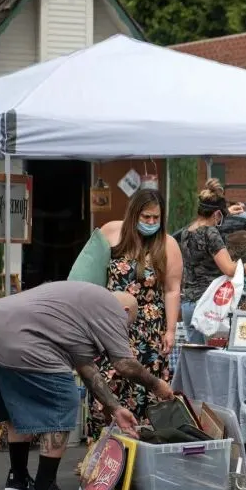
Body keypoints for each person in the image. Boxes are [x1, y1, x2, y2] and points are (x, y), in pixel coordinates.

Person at [0, 280, 174, 490]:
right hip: (19, 338)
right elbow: (124, 363)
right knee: (64, 400)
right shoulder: (113, 309)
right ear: (125, 312)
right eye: (128, 325)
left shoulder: (82, 307)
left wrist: (114, 407)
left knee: (19, 405)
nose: (123, 330)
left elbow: (86, 368)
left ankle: (18, 480)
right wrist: (157, 385)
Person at [86, 188, 183, 440]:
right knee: (107, 385)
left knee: (144, 389)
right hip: (110, 326)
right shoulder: (110, 231)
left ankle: (140, 449)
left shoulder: (168, 244)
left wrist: (170, 330)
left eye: (156, 217)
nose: (151, 222)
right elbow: (90, 272)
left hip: (149, 330)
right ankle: (102, 449)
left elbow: (172, 290)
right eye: (146, 216)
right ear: (134, 214)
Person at [179, 179, 246, 343]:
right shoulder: (211, 233)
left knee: (196, 354)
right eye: (220, 216)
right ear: (216, 214)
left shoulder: (187, 231)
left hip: (188, 305)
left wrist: (226, 212)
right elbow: (229, 269)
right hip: (207, 305)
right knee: (211, 355)